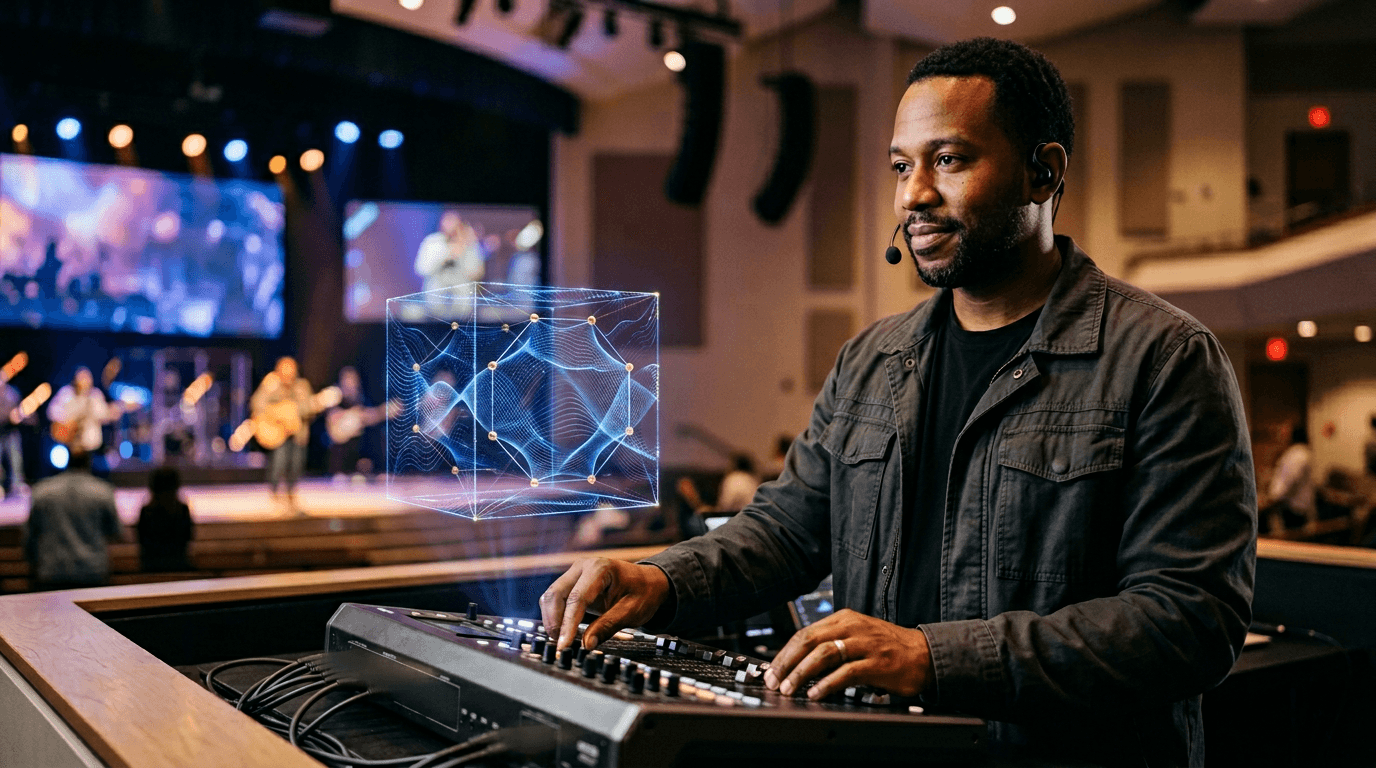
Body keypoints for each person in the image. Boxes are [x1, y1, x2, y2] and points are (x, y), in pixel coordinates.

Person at [537, 38, 1256, 766]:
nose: (913, 196)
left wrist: (931, 658)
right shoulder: (871, 360)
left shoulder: (1165, 358)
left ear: (1043, 172)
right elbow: (787, 531)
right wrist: (662, 578)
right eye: (902, 167)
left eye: (950, 160)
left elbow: (1190, 622)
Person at [22, 449, 123, 590]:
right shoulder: (103, 491)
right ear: (89, 462)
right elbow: (115, 532)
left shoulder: (42, 491)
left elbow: (30, 535)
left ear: (67, 461)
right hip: (93, 572)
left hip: (52, 572)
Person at [250, 357, 317, 508]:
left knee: (296, 464)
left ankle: (291, 493)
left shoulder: (302, 386)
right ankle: (274, 492)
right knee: (278, 463)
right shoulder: (271, 383)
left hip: (297, 434)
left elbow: (309, 409)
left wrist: (295, 412)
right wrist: (277, 414)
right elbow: (257, 403)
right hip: (278, 434)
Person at [136, 467, 193, 572]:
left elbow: (141, 539)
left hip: (150, 568)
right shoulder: (182, 510)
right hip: (179, 566)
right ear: (176, 486)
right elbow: (189, 536)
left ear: (152, 486)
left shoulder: (146, 511)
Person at [1264, 423, 1315, 534]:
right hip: (1298, 508)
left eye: (1284, 434)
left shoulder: (1297, 454)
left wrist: (1272, 498)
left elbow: (1288, 480)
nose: (1282, 437)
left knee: (1295, 537)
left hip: (1294, 510)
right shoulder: (1302, 452)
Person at [47, 366, 111, 453]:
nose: (84, 382)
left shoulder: (95, 395)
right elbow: (51, 411)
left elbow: (104, 415)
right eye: (81, 378)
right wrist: (68, 420)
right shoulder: (66, 393)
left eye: (86, 378)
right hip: (68, 444)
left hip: (89, 446)